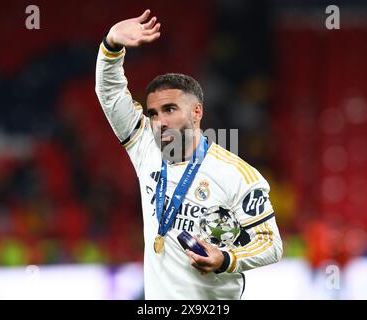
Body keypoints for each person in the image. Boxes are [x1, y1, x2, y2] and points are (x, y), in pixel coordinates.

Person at [95, 9, 283, 299]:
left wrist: (225, 259)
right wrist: (111, 45)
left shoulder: (237, 174)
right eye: (153, 113)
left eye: (170, 110)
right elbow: (110, 95)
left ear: (197, 113)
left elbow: (270, 243)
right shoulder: (145, 147)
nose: (160, 121)